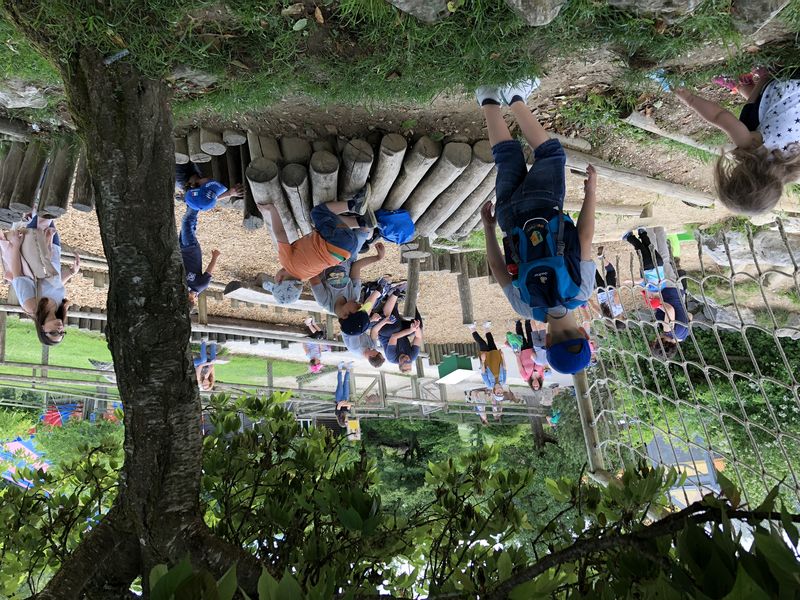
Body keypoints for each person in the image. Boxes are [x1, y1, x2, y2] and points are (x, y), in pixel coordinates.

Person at [477, 78, 597, 375]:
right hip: (508, 218)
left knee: (551, 154)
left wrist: (591, 192)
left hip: (544, 205)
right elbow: (497, 267)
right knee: (507, 158)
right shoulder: (526, 308)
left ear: (584, 334)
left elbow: (584, 237)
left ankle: (514, 96)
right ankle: (488, 97)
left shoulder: (582, 292)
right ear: (547, 341)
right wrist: (489, 228)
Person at [668, 69, 800, 215]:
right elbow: (719, 116)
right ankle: (754, 80)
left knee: (768, 121)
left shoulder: (793, 167)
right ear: (741, 174)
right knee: (746, 124)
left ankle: (752, 88)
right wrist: (689, 99)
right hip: (790, 82)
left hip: (791, 101)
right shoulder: (752, 146)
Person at [257, 192, 377, 306]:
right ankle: (354, 205)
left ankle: (362, 223)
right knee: (318, 213)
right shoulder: (287, 262)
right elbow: (280, 233)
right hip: (336, 242)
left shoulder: (306, 276)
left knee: (328, 223)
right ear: (279, 279)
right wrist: (271, 210)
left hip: (347, 251)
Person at [2, 216, 80, 346]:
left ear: (42, 329)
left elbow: (17, 274)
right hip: (52, 248)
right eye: (62, 333)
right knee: (49, 211)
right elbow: (55, 285)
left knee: (44, 210)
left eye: (53, 333)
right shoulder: (60, 309)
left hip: (34, 247)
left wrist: (16, 245)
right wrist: (72, 272)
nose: (59, 329)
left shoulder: (32, 306)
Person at [177, 164, 242, 308]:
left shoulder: (180, 285)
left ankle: (192, 196)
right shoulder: (200, 285)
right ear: (193, 300)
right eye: (188, 298)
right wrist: (215, 257)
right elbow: (208, 272)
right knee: (187, 221)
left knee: (189, 222)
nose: (185, 295)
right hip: (191, 249)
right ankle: (194, 196)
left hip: (181, 249)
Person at [370, 291, 422, 373]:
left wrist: (410, 330)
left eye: (405, 362)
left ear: (400, 363)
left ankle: (393, 300)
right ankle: (411, 300)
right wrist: (416, 328)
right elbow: (418, 337)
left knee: (395, 328)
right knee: (419, 327)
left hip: (386, 334)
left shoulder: (391, 358)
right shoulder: (412, 356)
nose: (408, 359)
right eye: (409, 362)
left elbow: (394, 337)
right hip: (402, 332)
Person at [469, 322, 506, 400]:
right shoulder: (503, 381)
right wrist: (502, 357)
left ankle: (472, 328)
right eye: (501, 393)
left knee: (482, 343)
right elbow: (504, 369)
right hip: (496, 359)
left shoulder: (489, 384)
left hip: (487, 361)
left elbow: (483, 373)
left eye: (498, 393)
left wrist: (482, 361)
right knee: (491, 341)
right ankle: (486, 327)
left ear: (494, 392)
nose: (500, 391)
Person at [589, 256, 626, 330]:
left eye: (624, 319)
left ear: (621, 320)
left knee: (611, 271)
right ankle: (585, 258)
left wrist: (616, 288)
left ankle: (602, 257)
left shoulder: (619, 311)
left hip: (609, 288)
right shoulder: (604, 317)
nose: (625, 317)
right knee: (593, 271)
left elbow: (615, 297)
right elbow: (593, 307)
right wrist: (589, 300)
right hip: (599, 291)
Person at [511, 319, 546, 391]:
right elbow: (544, 364)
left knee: (520, 337)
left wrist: (517, 356)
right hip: (534, 349)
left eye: (534, 387)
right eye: (537, 386)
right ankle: (527, 321)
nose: (535, 385)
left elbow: (520, 367)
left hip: (523, 353)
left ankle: (518, 323)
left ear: (531, 385)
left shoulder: (526, 377)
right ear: (540, 384)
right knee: (530, 334)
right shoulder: (542, 375)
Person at [334, 361, 354, 427]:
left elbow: (340, 404)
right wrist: (344, 403)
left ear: (342, 420)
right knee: (346, 382)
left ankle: (340, 367)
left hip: (339, 398)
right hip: (345, 397)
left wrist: (344, 403)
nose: (347, 420)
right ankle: (348, 367)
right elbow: (349, 404)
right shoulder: (347, 413)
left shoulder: (337, 414)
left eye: (346, 421)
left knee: (340, 383)